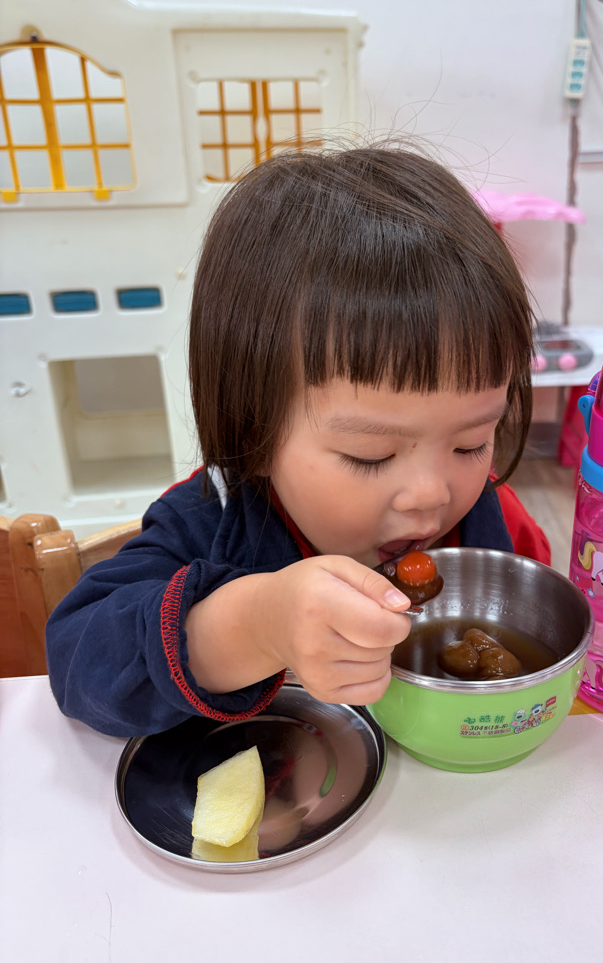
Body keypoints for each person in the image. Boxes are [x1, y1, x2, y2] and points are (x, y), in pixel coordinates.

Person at [45, 144, 550, 737]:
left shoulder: (499, 525)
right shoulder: (210, 522)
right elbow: (78, 662)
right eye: (371, 455)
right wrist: (254, 628)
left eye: (471, 443)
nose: (431, 494)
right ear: (254, 431)